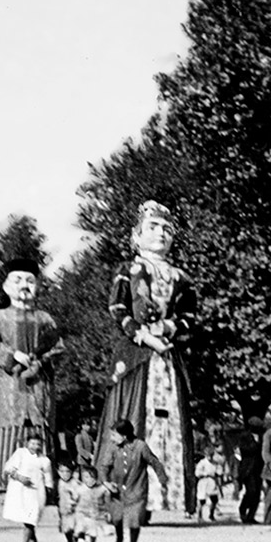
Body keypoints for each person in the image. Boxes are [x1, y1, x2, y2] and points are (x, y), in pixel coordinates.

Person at [95, 201, 197, 515]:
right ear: (136, 236)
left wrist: (168, 327)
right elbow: (119, 311)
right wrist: (145, 335)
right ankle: (126, 500)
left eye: (167, 229)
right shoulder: (128, 270)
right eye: (153, 227)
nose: (161, 234)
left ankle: (166, 498)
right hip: (137, 356)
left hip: (168, 357)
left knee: (169, 423)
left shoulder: (181, 276)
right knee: (133, 419)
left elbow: (189, 316)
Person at [0, 257, 65, 493]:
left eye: (30, 280)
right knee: (8, 429)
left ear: (38, 286)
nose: (24, 285)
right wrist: (14, 356)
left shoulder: (44, 318)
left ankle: (44, 485)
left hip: (39, 385)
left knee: (40, 428)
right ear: (6, 286)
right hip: (9, 386)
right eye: (17, 280)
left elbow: (58, 347)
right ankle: (1, 483)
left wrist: (41, 361)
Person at [99, 418, 168, 542]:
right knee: (117, 518)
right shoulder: (112, 448)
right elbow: (104, 466)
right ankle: (119, 540)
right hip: (117, 490)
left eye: (114, 435)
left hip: (137, 489)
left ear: (124, 436)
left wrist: (163, 480)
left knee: (134, 519)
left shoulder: (140, 446)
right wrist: (106, 482)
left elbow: (154, 462)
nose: (112, 438)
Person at [2, 430, 52, 542]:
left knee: (32, 516)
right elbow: (8, 468)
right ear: (27, 443)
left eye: (38, 444)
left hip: (36, 491)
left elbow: (48, 477)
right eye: (32, 443)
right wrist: (19, 477)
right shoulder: (20, 453)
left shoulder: (44, 460)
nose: (35, 447)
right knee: (28, 518)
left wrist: (49, 489)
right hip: (21, 491)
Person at [73, 465, 110, 542]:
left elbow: (107, 499)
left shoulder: (101, 489)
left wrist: (107, 512)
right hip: (81, 512)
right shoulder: (80, 489)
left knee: (93, 530)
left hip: (94, 513)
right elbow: (74, 499)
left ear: (96, 478)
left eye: (92, 477)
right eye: (86, 477)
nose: (89, 480)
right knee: (81, 528)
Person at [236, 417, 265, 524]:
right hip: (247, 469)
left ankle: (251, 515)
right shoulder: (245, 436)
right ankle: (242, 510)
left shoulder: (262, 437)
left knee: (257, 493)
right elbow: (244, 450)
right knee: (251, 491)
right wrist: (256, 444)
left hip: (258, 468)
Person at [56, 462, 79, 542]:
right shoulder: (59, 482)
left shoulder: (74, 483)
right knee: (66, 528)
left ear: (72, 472)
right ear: (58, 472)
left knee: (74, 527)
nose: (65, 474)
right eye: (62, 471)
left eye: (67, 471)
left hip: (73, 509)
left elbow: (78, 495)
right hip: (63, 508)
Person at [195, 448, 220, 521]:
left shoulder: (215, 463)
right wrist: (205, 474)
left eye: (211, 455)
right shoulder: (202, 463)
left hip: (212, 482)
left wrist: (218, 473)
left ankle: (211, 515)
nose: (210, 457)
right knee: (202, 500)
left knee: (214, 499)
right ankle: (199, 516)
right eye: (208, 455)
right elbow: (197, 473)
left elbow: (218, 471)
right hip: (204, 482)